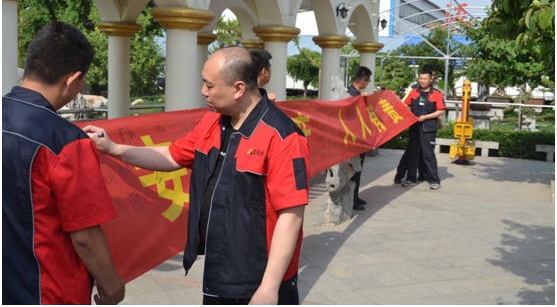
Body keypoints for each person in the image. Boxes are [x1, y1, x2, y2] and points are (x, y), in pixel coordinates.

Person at [84, 46, 310, 305]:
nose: (203, 91)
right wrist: (113, 148)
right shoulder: (212, 123)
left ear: (237, 89)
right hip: (219, 267)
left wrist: (269, 288)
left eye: (209, 85)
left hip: (260, 278)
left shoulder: (282, 136)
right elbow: (170, 156)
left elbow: (291, 216)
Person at [2, 22, 125, 304]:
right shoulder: (66, 143)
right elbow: (84, 237)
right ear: (73, 79)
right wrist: (112, 287)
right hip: (46, 291)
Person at [394, 64, 442, 184]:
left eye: (425, 79)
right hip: (414, 128)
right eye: (420, 78)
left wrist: (426, 117)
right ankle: (410, 178)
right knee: (412, 153)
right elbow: (404, 106)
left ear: (431, 79)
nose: (422, 81)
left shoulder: (436, 94)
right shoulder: (414, 92)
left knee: (428, 154)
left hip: (428, 128)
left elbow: (441, 110)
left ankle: (434, 180)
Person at [346, 66, 372, 210]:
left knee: (358, 169)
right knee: (353, 170)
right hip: (353, 139)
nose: (367, 84)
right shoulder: (350, 95)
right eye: (367, 81)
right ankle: (352, 199)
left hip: (359, 137)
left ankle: (355, 196)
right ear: (362, 81)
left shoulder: (357, 94)